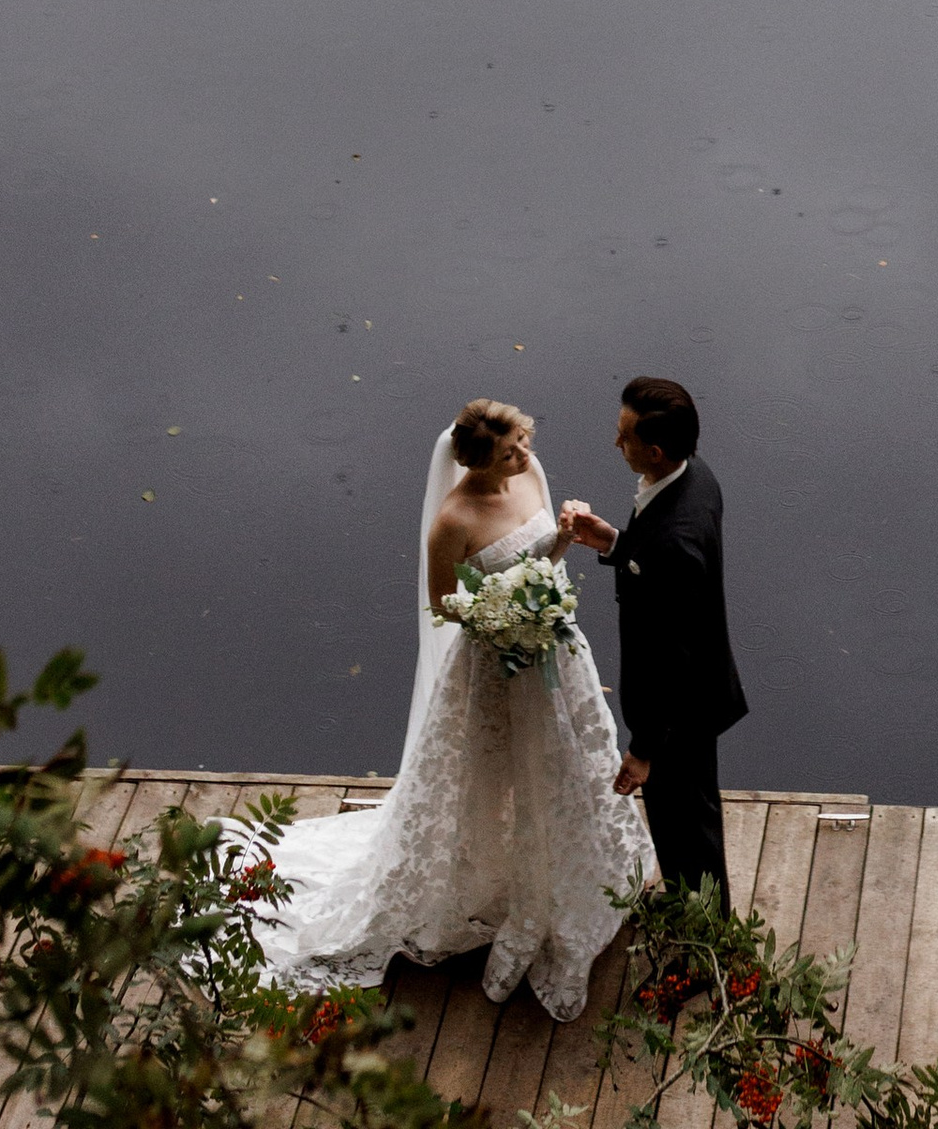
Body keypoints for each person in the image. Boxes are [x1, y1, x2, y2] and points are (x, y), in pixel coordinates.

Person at [254, 396, 653, 1017]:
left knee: (564, 768)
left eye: (523, 440)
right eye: (509, 451)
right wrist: (505, 615)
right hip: (495, 663)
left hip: (554, 655)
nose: (524, 454)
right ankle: (494, 887)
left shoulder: (531, 476)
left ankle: (569, 881)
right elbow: (444, 604)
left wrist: (563, 542)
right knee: (490, 776)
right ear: (476, 460)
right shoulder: (453, 520)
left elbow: (536, 558)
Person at [571, 375, 747, 900]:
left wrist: (644, 749)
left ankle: (701, 951)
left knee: (686, 828)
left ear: (652, 450)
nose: (614, 442)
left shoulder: (676, 537)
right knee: (688, 822)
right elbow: (670, 577)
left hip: (679, 713)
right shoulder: (695, 476)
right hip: (697, 693)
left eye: (623, 436)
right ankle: (689, 902)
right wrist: (618, 545)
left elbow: (670, 657)